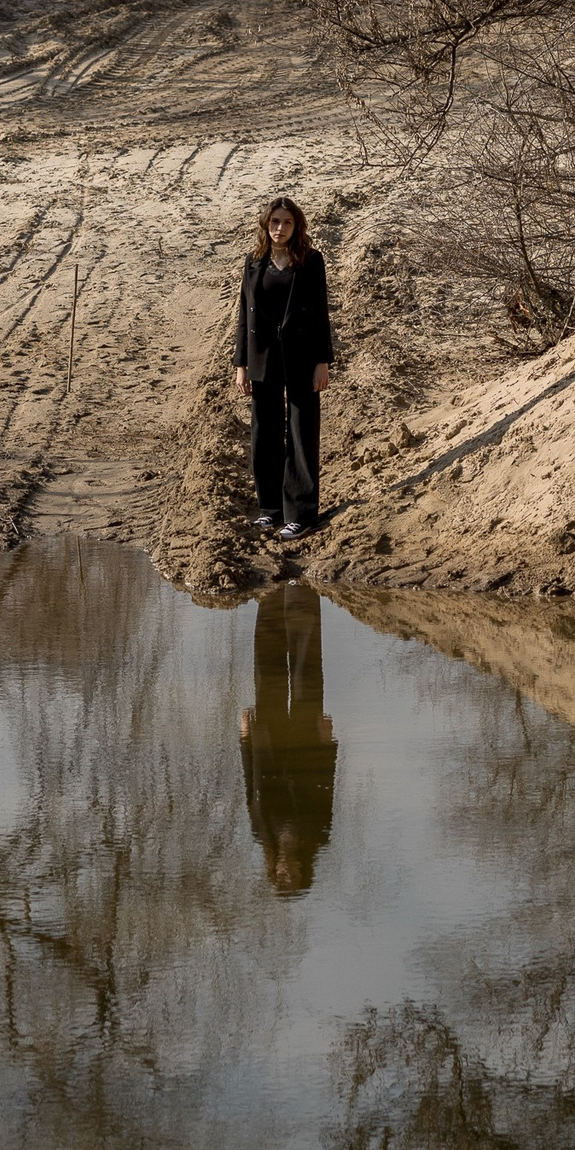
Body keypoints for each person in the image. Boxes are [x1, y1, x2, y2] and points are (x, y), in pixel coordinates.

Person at [234, 196, 336, 538]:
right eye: (275, 222)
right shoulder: (254, 261)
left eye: (287, 223)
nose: (280, 229)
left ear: (297, 226)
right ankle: (271, 508)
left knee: (301, 432)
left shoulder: (310, 261)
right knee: (264, 432)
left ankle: (301, 514)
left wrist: (323, 361)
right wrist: (241, 365)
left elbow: (321, 314)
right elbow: (243, 315)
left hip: (303, 358)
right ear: (266, 224)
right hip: (262, 358)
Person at [240, 584, 337, 895]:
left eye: (281, 878)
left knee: (267, 670)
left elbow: (250, 786)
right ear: (302, 873)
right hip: (306, 747)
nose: (286, 873)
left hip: (267, 743)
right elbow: (326, 787)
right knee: (305, 667)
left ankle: (270, 592)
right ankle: (302, 592)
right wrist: (327, 743)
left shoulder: (260, 833)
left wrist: (244, 740)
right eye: (291, 879)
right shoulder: (319, 834)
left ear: (274, 872)